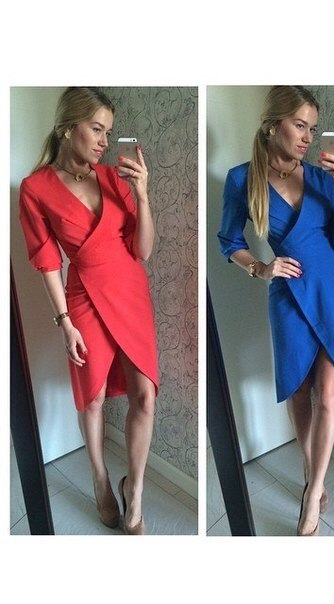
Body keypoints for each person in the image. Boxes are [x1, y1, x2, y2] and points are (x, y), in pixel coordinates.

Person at [218, 86, 334, 536]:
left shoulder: (321, 177)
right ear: (272, 125)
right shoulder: (242, 179)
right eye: (299, 125)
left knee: (329, 391)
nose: (307, 137)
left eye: (312, 129)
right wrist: (261, 268)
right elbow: (229, 241)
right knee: (298, 388)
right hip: (288, 292)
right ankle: (309, 463)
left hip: (332, 289)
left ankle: (313, 491)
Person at [18, 87, 158, 535]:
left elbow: (142, 250)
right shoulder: (35, 188)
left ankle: (134, 489)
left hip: (129, 290)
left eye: (108, 132)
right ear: (67, 127)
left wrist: (142, 194)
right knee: (92, 395)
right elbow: (46, 261)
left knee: (145, 394)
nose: (103, 141)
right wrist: (64, 323)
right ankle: (100, 479)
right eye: (97, 129)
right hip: (83, 296)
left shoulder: (112, 177)